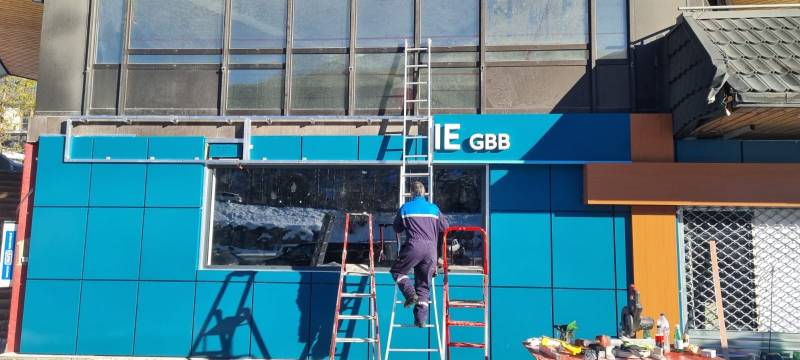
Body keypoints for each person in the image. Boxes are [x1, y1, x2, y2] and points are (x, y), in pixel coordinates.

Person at [391, 181, 448, 327]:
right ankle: (420, 319)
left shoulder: (406, 208)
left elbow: (397, 229)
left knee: (397, 271)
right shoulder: (434, 209)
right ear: (424, 193)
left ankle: (410, 295)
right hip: (431, 251)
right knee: (423, 284)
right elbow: (445, 229)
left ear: (411, 194)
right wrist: (441, 256)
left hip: (414, 246)